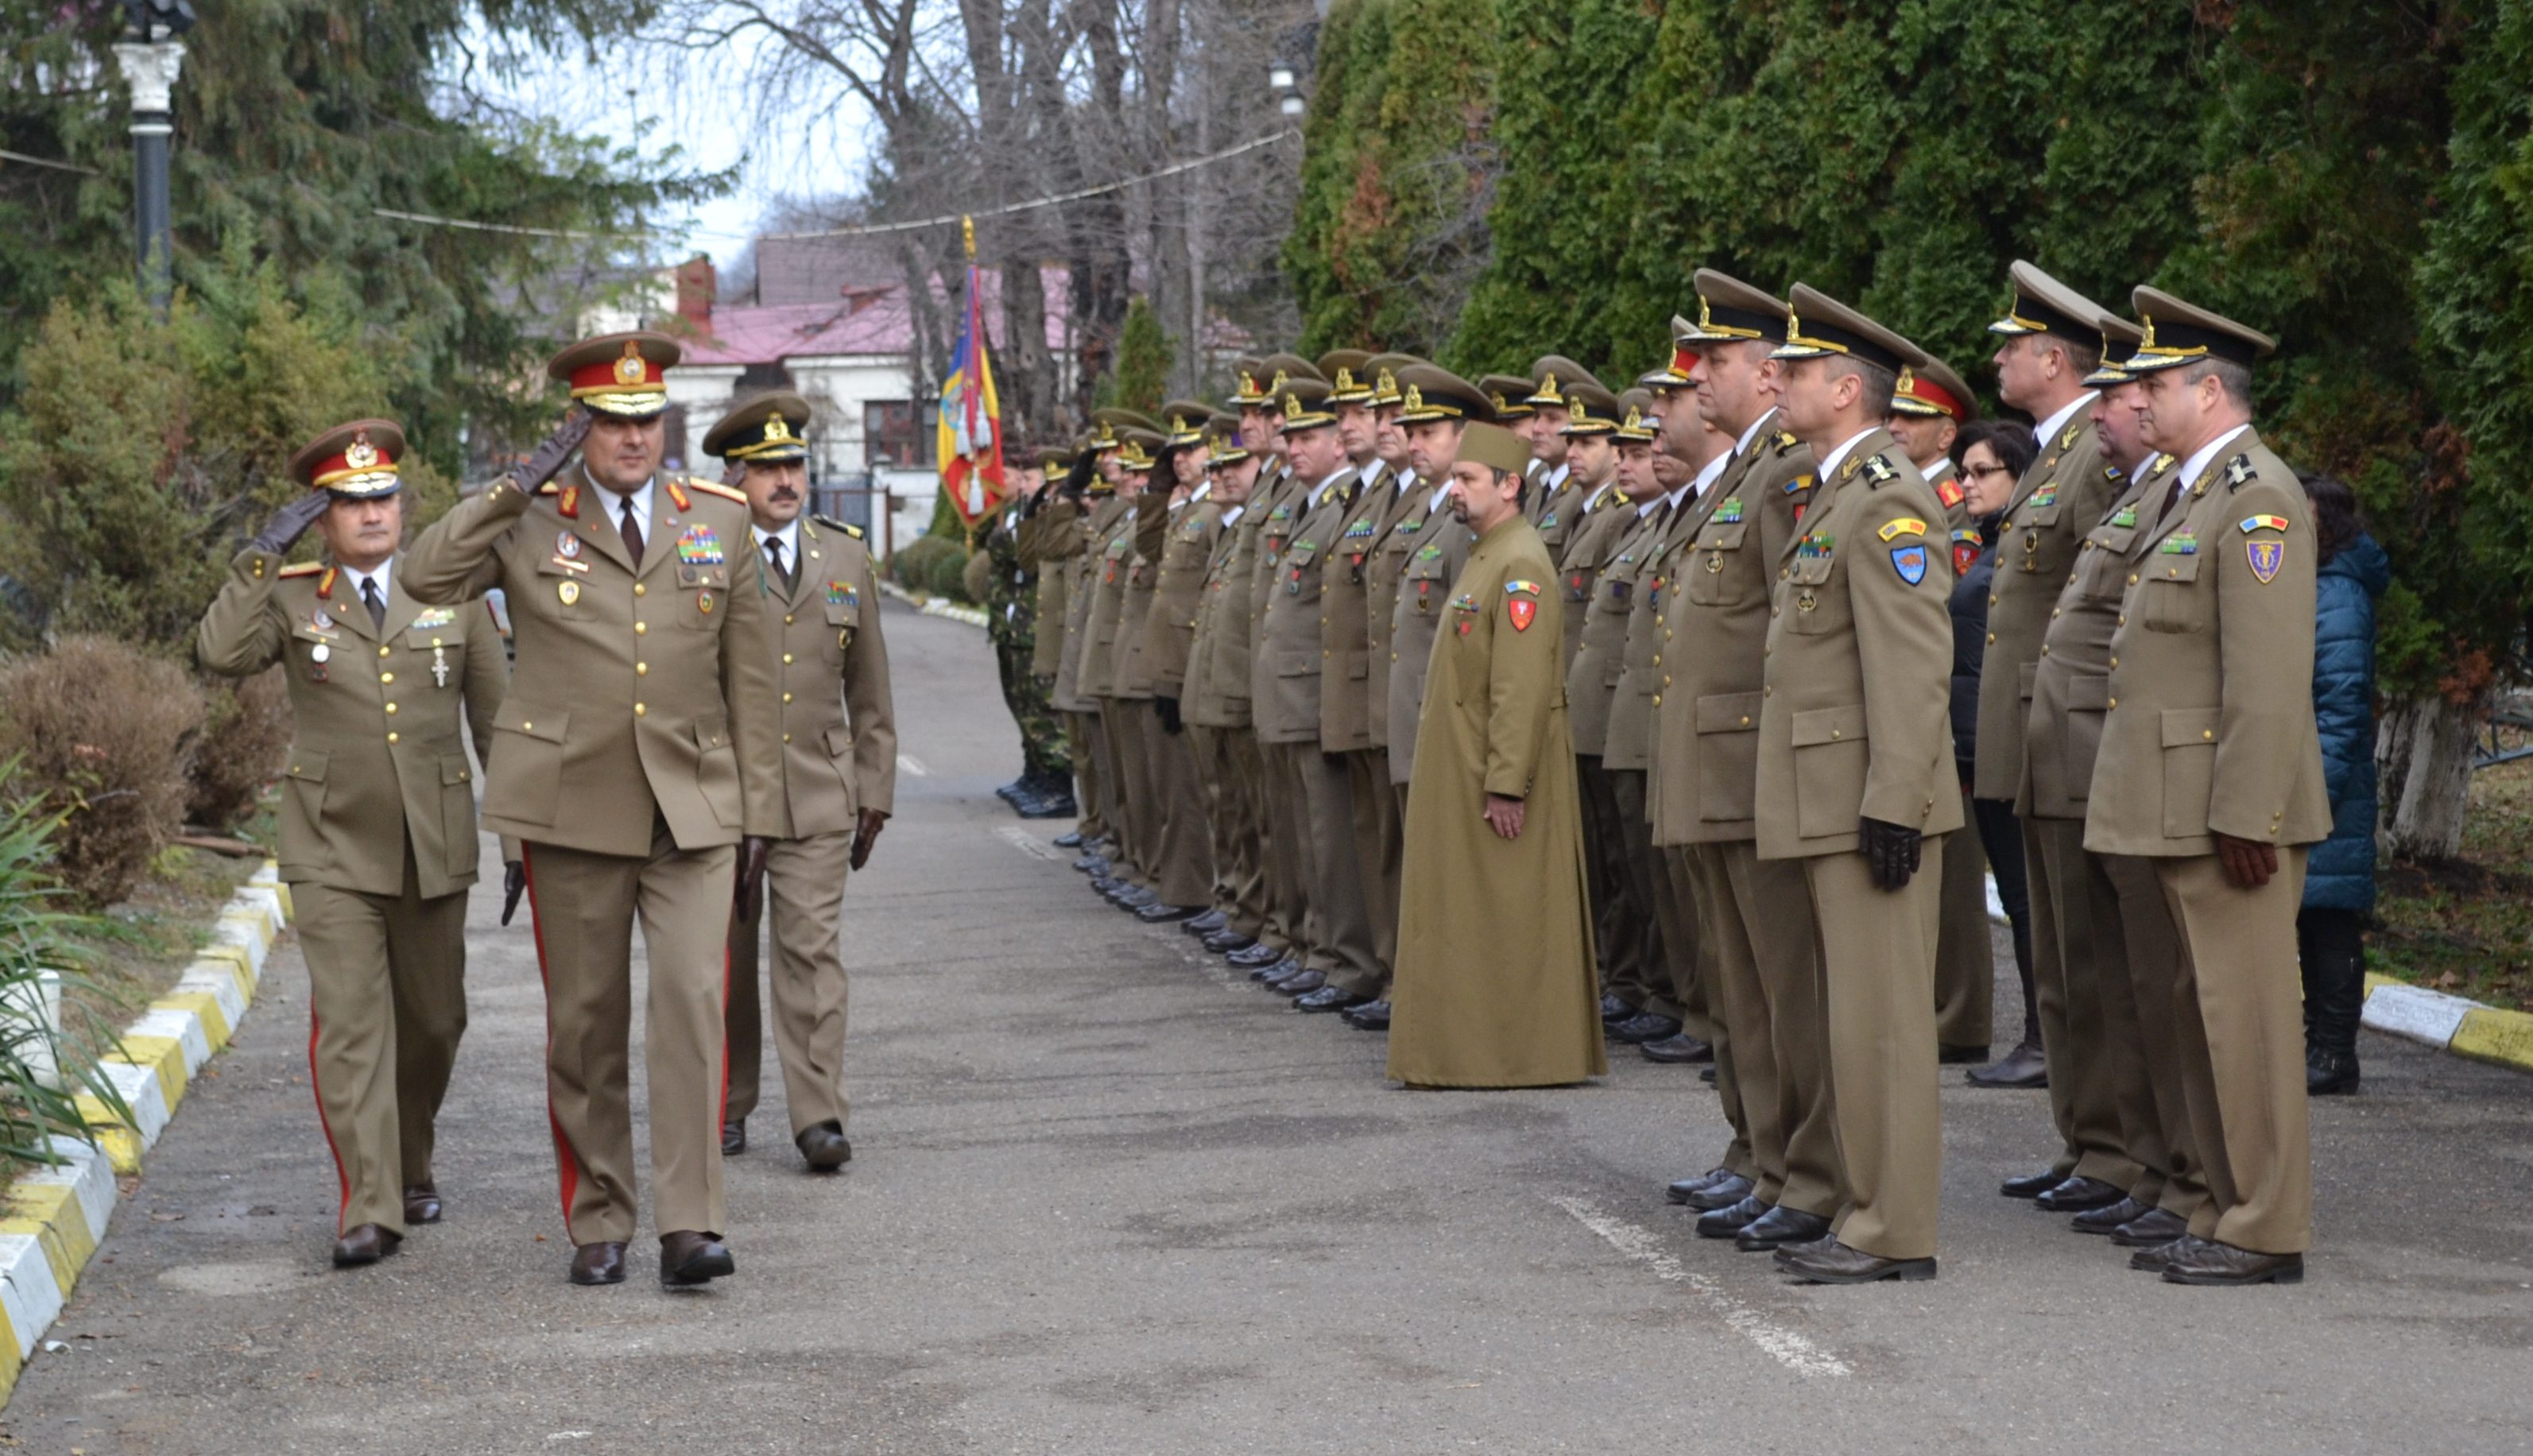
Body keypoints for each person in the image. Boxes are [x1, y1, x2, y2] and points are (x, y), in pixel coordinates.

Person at [401, 330, 782, 1288]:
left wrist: (759, 817)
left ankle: (690, 1223)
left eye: (647, 418)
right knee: (585, 1020)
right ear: (579, 428)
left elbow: (752, 680)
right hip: (572, 805)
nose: (634, 437)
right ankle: (600, 1213)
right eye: (611, 422)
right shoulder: (529, 521)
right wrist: (513, 484)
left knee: (694, 1002)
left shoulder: (720, 520)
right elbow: (421, 576)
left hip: (692, 805)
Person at [196, 419, 509, 1268]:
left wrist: (520, 837)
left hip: (432, 842)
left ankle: (412, 1158)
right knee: (351, 1024)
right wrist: (261, 554)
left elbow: (498, 723)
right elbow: (220, 652)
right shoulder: (296, 594)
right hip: (330, 844)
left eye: (383, 497)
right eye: (349, 502)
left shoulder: (458, 592)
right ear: (322, 518)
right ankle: (370, 1203)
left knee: (436, 1021)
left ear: (404, 507)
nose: (371, 513)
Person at [2086, 285, 2328, 1285]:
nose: (2140, 400)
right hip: (2171, 799)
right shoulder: (2191, 489)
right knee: (2193, 1020)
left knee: (2246, 1024)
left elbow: (2267, 680)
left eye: (2155, 383)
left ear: (2208, 388)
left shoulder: (2258, 495)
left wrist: (2246, 811)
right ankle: (2212, 1197)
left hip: (2225, 807)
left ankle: (2265, 1222)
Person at [1757, 285, 1961, 1284]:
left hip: (1863, 800)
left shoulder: (1886, 497)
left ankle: (1892, 1228)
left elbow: (1912, 666)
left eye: (1792, 372)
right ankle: (1854, 1201)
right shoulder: (1838, 488)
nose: (1774, 382)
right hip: (1827, 792)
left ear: (1845, 388)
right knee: (1847, 1018)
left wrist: (1894, 799)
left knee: (1880, 1023)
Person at [1652, 271, 1830, 1237]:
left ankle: (1793, 1161)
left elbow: (1784, 631)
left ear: (1767, 375)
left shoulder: (1786, 472)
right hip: (1711, 763)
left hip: (1748, 763)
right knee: (1736, 980)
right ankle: (1756, 1149)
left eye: (1713, 361)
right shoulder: (1740, 470)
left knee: (1776, 982)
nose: (1697, 376)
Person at [1974, 264, 2136, 1220]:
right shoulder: (2052, 452)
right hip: (2034, 731)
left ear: (2052, 356)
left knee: (2085, 954)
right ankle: (2088, 1143)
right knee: (2058, 957)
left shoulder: (2092, 456)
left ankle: (2112, 1149)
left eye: (2010, 345)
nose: (1997, 358)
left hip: (2069, 732)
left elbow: (2104, 607)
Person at [705, 391, 896, 1171]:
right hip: (721, 796)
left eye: (793, 465)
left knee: (811, 956)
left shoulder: (844, 555)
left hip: (819, 791)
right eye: (766, 468)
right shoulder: (704, 554)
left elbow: (870, 683)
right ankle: (726, 1100)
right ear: (734, 474)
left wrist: (874, 786)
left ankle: (819, 1115)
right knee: (721, 961)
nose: (785, 480)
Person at [1387, 420, 1605, 1089]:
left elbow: (1520, 686)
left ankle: (1509, 1054)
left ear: (1509, 487)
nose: (1454, 490)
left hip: (1491, 774)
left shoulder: (1518, 562)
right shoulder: (1486, 551)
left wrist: (1506, 782)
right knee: (1468, 915)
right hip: (1462, 766)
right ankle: (1462, 1048)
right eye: (1454, 478)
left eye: (1467, 480)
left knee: (1504, 917)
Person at [1892, 356, 1995, 1063]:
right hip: (1919, 703)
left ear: (1945, 430)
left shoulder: (1953, 508)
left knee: (1954, 878)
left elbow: (1946, 612)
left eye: (1911, 418)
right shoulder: (1906, 493)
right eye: (1891, 415)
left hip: (1945, 707)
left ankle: (1958, 1018)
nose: (1894, 427)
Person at [1942, 420, 2039, 1075]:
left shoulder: (2016, 548)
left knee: (2028, 899)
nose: (1966, 484)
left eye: (1982, 473)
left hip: (2005, 747)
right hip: (1977, 747)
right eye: (1964, 473)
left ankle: (2042, 1038)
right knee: (2016, 893)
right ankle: (2039, 1034)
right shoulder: (1987, 545)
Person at [2299, 472, 2385, 1095]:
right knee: (2310, 917)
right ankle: (2315, 1047)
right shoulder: (2316, 584)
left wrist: (2317, 797)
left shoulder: (2336, 592)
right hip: (2313, 777)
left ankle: (2332, 1054)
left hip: (2327, 785)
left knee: (2327, 919)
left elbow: (2342, 702)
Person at [988, 443, 1072, 818]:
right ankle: (1036, 773)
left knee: (1042, 709)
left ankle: (1057, 784)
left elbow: (1023, 552)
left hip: (1037, 625)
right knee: (1021, 703)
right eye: (1023, 477)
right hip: (1016, 624)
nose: (1024, 485)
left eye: (1032, 478)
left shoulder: (1052, 517)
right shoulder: (1024, 513)